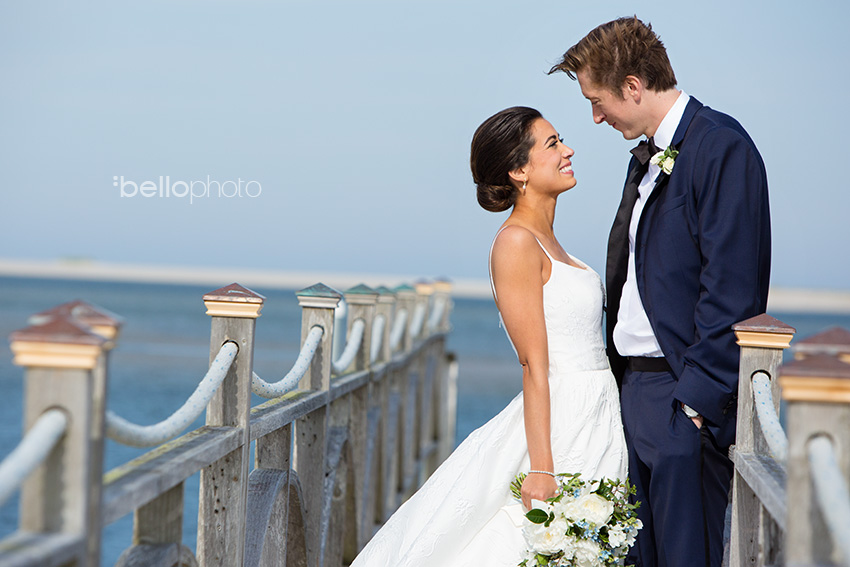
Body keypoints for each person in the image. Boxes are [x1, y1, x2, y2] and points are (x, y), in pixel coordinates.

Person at [348, 106, 627, 566]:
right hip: (560, 418)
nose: (568, 150)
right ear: (519, 170)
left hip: (595, 408)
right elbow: (534, 363)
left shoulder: (550, 240)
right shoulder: (515, 242)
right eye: (553, 144)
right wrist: (540, 466)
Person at [548, 16, 771, 567]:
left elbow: (733, 284)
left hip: (680, 398)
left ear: (632, 86)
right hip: (633, 394)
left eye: (597, 100)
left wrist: (692, 406)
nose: (594, 116)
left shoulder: (721, 148)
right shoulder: (645, 158)